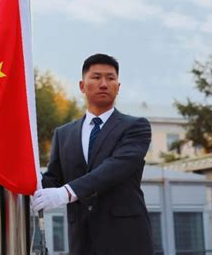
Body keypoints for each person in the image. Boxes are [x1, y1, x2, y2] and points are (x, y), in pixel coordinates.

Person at [32, 53, 154, 255]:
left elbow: (116, 168)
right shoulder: (63, 134)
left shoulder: (136, 126)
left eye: (110, 78)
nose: (104, 84)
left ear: (118, 86)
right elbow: (53, 179)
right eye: (96, 77)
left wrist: (67, 192)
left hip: (126, 239)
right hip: (82, 239)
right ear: (82, 86)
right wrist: (28, 179)